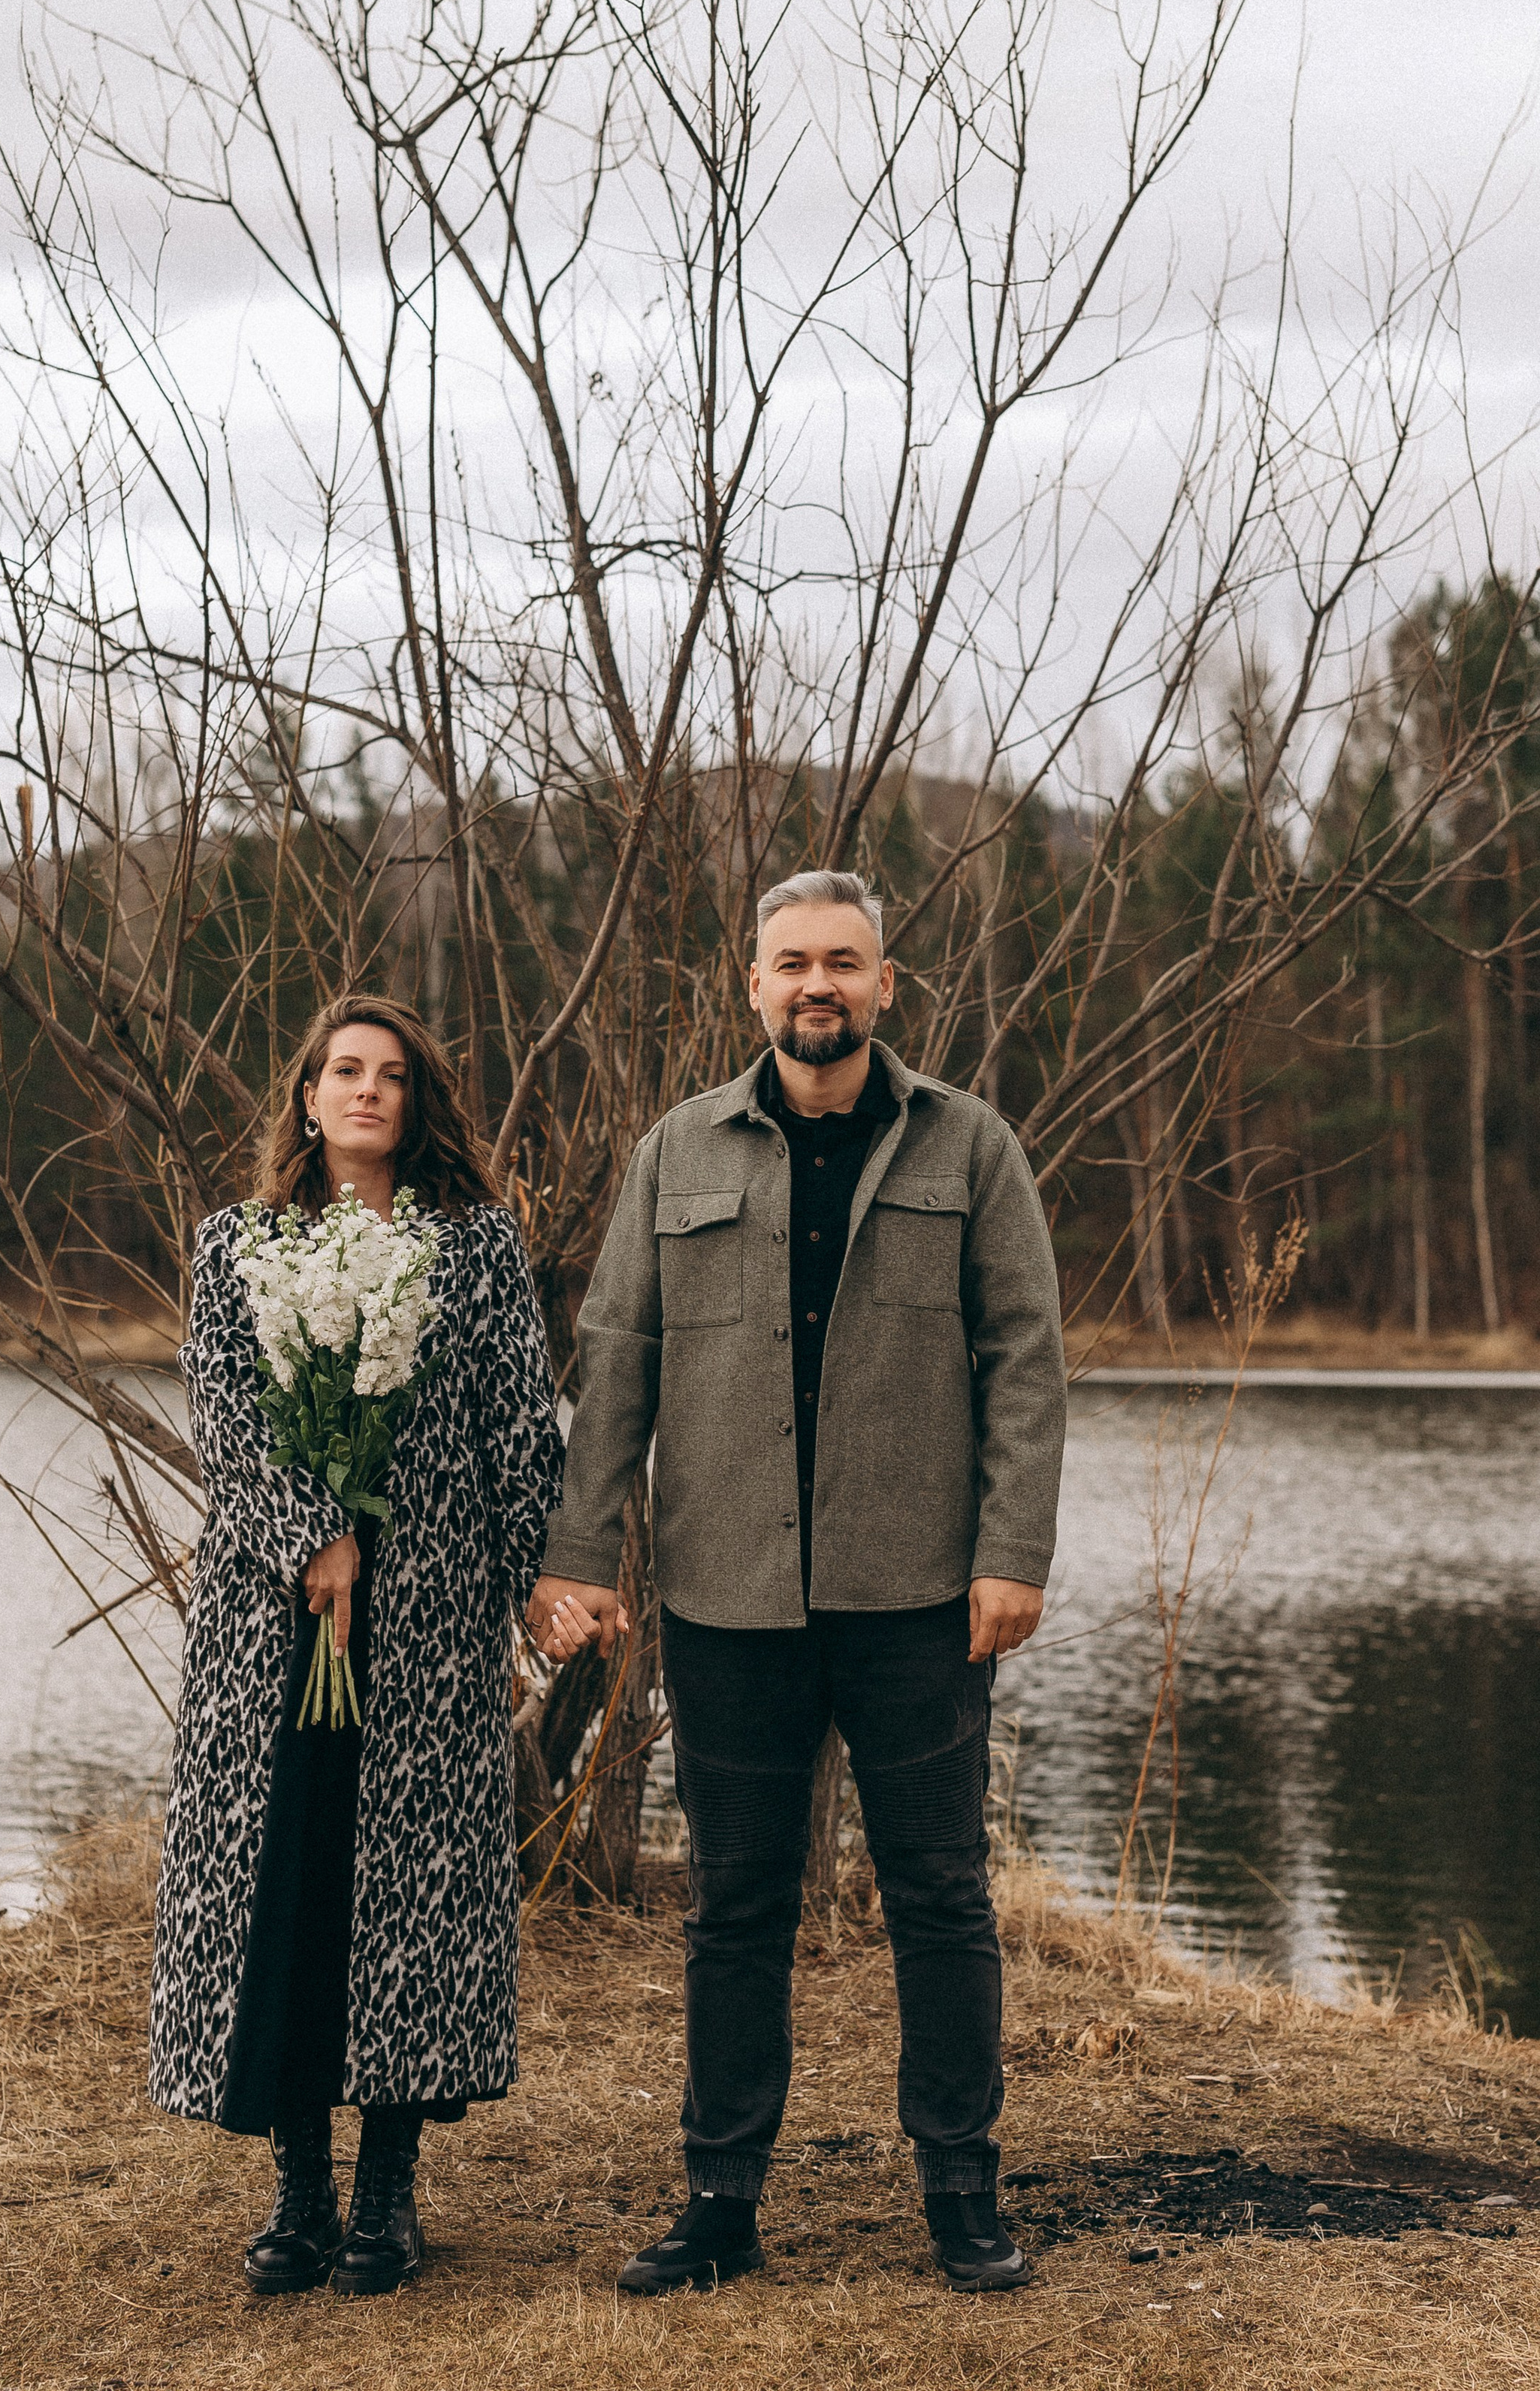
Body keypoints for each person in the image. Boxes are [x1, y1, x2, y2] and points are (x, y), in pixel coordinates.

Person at [528, 870, 1067, 2297]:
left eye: (843, 961)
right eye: (790, 963)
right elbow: (616, 1361)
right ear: (751, 987)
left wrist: (1015, 1550)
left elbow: (1025, 1358)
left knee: (939, 1895)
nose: (816, 984)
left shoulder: (971, 1149)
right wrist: (581, 1555)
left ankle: (961, 2192)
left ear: (888, 985)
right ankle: (721, 2202)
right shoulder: (678, 1152)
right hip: (729, 1596)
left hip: (919, 1601)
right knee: (735, 1905)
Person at [148, 992, 564, 2299]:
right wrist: (312, 1532)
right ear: (307, 1097)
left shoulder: (478, 1251)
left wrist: (532, 1591)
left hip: (431, 1622)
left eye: (392, 1075)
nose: (369, 1091)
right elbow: (222, 1409)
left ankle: (389, 2194)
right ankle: (298, 2189)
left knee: (408, 1903)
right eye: (345, 1071)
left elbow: (518, 1432)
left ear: (418, 1102)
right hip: (276, 1620)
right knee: (292, 1883)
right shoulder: (238, 1245)